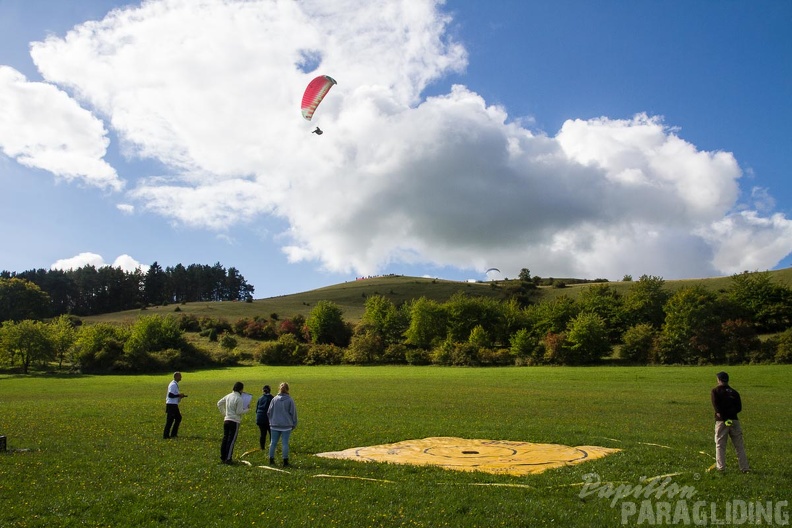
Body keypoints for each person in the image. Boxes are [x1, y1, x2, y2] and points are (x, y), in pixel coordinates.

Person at [711, 371, 750, 473]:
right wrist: (730, 415)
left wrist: (724, 417)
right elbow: (739, 408)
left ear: (719, 380)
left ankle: (721, 468)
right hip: (734, 420)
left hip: (722, 421)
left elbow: (717, 407)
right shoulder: (734, 392)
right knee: (739, 445)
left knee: (720, 445)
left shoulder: (715, 391)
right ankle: (744, 468)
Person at [217, 381, 249, 464]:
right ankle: (228, 458)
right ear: (241, 389)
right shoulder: (239, 398)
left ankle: (223, 456)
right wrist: (247, 409)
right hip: (234, 421)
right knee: (231, 440)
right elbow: (239, 411)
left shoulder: (228, 396)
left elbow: (219, 403)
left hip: (226, 420)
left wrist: (225, 413)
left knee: (225, 439)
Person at [267, 382, 298, 467]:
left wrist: (271, 420)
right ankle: (285, 460)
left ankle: (271, 459)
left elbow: (269, 412)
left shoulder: (274, 399)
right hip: (286, 425)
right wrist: (294, 423)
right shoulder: (289, 400)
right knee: (285, 443)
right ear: (288, 389)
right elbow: (293, 413)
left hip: (274, 424)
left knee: (273, 442)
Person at [163, 372, 187, 439]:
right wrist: (179, 395)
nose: (181, 378)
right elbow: (170, 395)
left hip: (174, 404)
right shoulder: (173, 384)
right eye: (180, 376)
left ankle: (173, 434)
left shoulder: (175, 384)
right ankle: (166, 435)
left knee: (178, 418)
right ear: (176, 376)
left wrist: (180, 396)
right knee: (170, 420)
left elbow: (173, 395)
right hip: (171, 405)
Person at [255, 385, 274, 451]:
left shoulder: (260, 398)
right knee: (272, 433)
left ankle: (262, 447)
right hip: (268, 419)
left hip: (260, 418)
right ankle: (272, 447)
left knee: (263, 434)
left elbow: (256, 409)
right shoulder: (272, 398)